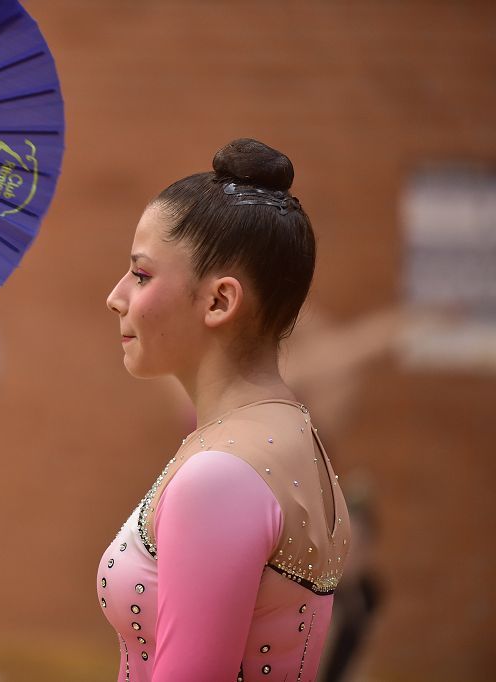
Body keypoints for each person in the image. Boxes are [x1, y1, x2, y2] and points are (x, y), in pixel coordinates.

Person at [100, 138, 352, 681]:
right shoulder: (294, 433)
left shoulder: (220, 477)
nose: (115, 296)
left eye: (141, 275)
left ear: (220, 301)